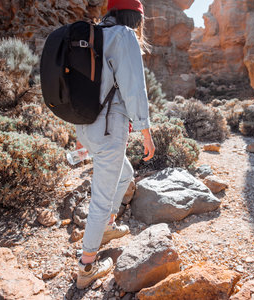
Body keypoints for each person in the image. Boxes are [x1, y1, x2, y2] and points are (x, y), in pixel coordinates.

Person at [75, 0, 155, 289]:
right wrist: (145, 131)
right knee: (101, 195)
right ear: (134, 16)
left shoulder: (94, 34)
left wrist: (79, 135)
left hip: (85, 125)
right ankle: (86, 266)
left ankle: (106, 228)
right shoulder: (124, 35)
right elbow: (135, 87)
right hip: (108, 128)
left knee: (125, 175)